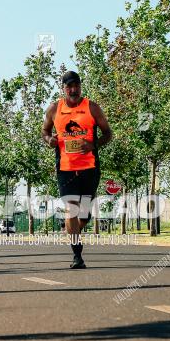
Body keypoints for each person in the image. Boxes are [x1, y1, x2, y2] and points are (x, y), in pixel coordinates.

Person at [41, 70, 112, 269]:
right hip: (65, 169)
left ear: (80, 86)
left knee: (84, 214)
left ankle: (72, 228)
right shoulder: (54, 109)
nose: (73, 90)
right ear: (63, 88)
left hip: (90, 167)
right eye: (69, 86)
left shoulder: (92, 108)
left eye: (76, 86)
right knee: (71, 208)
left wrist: (93, 145)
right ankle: (77, 254)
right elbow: (45, 131)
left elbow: (108, 134)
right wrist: (49, 140)